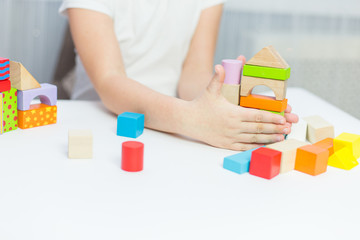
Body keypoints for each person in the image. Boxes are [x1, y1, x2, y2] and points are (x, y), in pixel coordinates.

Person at [59, 0, 298, 151]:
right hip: (99, 122)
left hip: (171, 126)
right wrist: (194, 119)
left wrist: (225, 103)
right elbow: (109, 80)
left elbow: (193, 75)